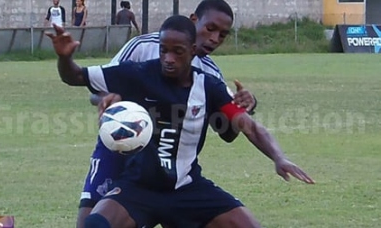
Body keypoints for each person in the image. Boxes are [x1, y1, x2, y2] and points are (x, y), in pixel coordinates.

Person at [47, 14, 315, 228]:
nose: (168, 58)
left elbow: (248, 127)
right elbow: (76, 77)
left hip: (187, 188)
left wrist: (279, 157)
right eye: (164, 50)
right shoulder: (138, 73)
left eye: (177, 51)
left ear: (193, 50)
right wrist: (65, 58)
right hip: (138, 188)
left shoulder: (209, 85)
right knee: (95, 223)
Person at [79, 1, 258, 227]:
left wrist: (245, 107)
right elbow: (97, 91)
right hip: (118, 147)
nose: (214, 38)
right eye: (210, 29)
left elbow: (226, 131)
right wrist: (110, 98)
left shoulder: (210, 74)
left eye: (222, 35)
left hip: (164, 163)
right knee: (89, 221)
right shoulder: (142, 47)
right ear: (194, 20)